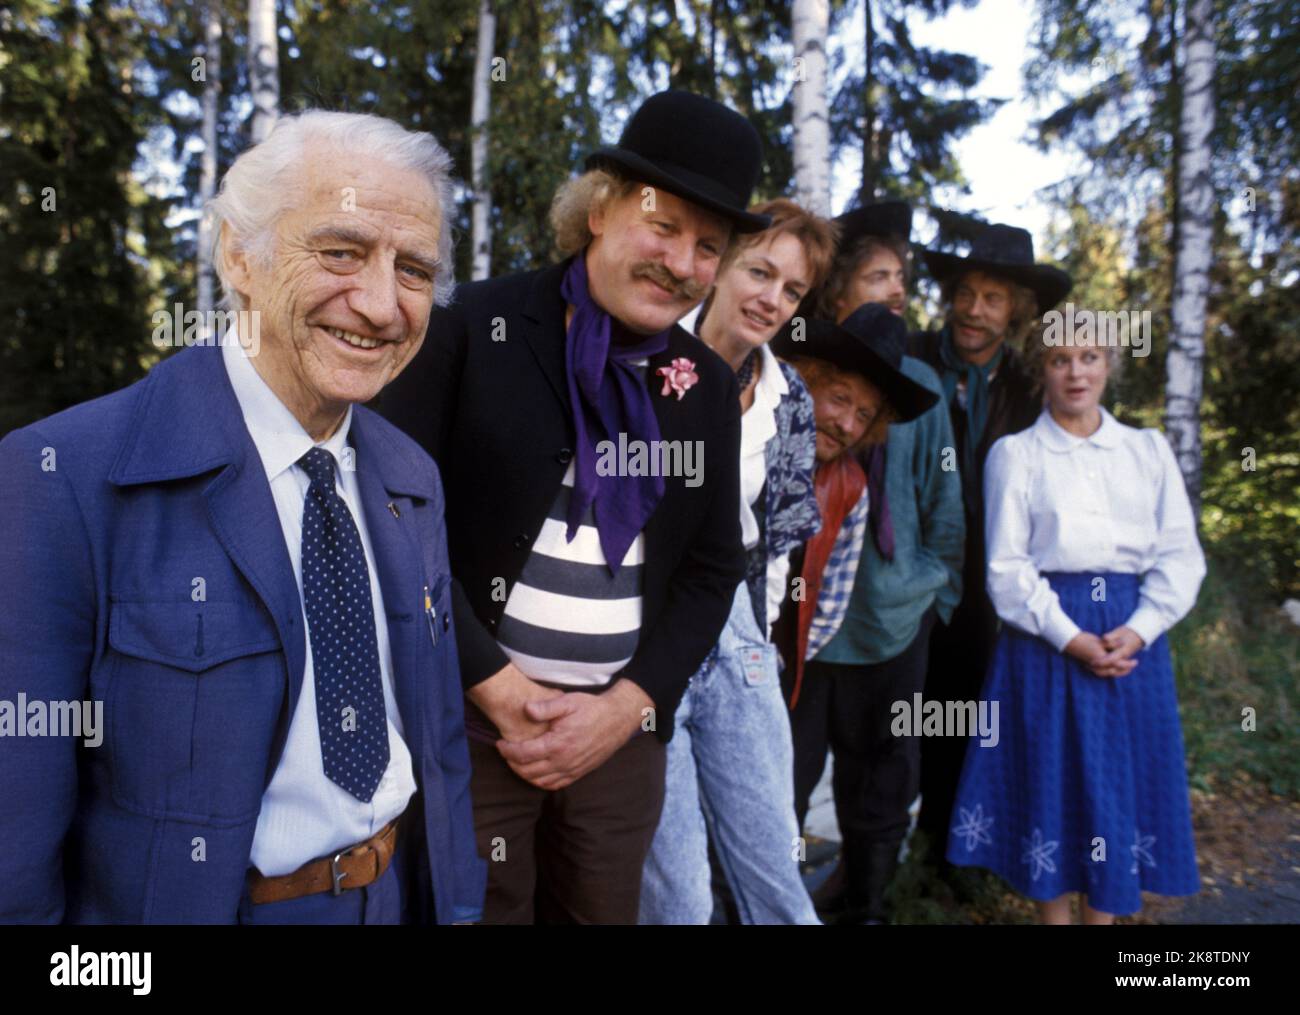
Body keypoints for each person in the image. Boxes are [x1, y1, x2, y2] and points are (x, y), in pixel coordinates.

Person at [0, 111, 484, 924]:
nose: (379, 304)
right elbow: (15, 832)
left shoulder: (412, 477)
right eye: (340, 250)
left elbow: (437, 743)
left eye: (413, 269)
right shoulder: (64, 476)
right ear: (238, 254)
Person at [379, 90, 764, 924]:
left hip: (616, 747)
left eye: (709, 246)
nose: (682, 262)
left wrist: (629, 706)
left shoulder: (700, 389)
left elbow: (712, 567)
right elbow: (394, 517)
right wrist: (492, 681)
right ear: (598, 208)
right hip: (471, 725)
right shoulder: (471, 327)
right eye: (664, 226)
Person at [946, 310, 1206, 923]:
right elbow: (1007, 570)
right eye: (1060, 360)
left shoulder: (1146, 449)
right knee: (1052, 787)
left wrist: (1139, 627)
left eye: (1089, 357)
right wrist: (1071, 639)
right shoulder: (1017, 455)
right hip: (1047, 639)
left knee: (1115, 792)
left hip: (1129, 637)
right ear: (1043, 371)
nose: (1076, 372)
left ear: (1109, 364)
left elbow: (1181, 557)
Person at [638, 198, 834, 925]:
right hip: (647, 631)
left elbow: (779, 545)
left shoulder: (789, 399)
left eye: (792, 290)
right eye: (760, 271)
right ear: (717, 268)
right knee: (679, 899)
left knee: (777, 869)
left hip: (738, 629)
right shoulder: (644, 357)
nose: (772, 299)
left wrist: (760, 653)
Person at [800, 201, 966, 923]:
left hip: (896, 624)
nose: (897, 288)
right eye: (877, 275)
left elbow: (946, 509)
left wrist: (934, 599)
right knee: (784, 776)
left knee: (883, 782)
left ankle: (865, 908)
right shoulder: (801, 376)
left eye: (901, 276)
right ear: (838, 293)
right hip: (805, 629)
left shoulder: (922, 394)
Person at [770, 303, 941, 924]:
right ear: (805, 379)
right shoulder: (746, 442)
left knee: (792, 797)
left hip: (772, 670)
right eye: (837, 398)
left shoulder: (848, 489)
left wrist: (771, 670)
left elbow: (830, 601)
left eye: (863, 415)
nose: (843, 421)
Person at [909, 223, 1072, 851]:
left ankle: (947, 848)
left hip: (988, 575)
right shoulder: (912, 358)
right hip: (907, 560)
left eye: (994, 299)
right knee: (895, 708)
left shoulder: (1029, 391)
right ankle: (873, 862)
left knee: (965, 705)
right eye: (966, 293)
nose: (975, 311)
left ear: (1017, 311)